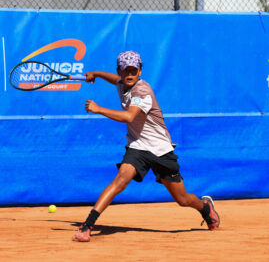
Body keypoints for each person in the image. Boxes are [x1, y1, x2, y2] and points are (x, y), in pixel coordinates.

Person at [73, 51, 220, 242]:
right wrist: (97, 74)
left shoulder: (142, 91)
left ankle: (205, 207)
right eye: (125, 70)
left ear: (140, 71)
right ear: (120, 71)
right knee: (121, 179)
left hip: (160, 149)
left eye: (134, 70)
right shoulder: (122, 82)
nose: (130, 74)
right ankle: (87, 225)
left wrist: (99, 109)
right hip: (138, 146)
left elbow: (129, 116)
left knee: (183, 199)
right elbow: (116, 80)